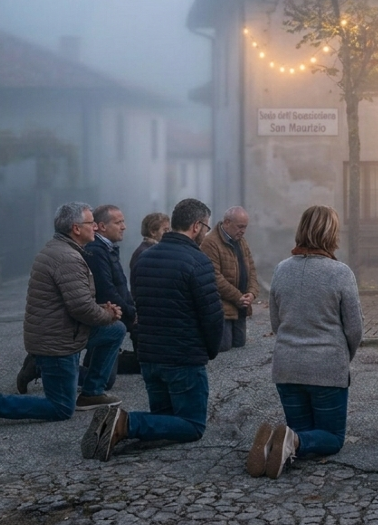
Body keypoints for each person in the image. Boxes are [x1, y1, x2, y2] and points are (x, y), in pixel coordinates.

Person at [0, 203, 125, 431]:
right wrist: (107, 313)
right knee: (61, 408)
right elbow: (81, 308)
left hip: (66, 331)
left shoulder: (63, 250)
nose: (96, 227)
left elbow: (75, 301)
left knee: (115, 330)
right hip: (57, 341)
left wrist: (104, 312)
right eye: (90, 223)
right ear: (76, 228)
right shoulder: (67, 257)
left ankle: (92, 393)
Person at [82, 198, 224, 461]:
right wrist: (210, 350)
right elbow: (212, 317)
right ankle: (126, 423)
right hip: (183, 357)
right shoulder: (198, 261)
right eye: (206, 226)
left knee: (164, 420)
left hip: (149, 357)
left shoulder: (144, 258)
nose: (207, 231)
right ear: (196, 226)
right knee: (193, 425)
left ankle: (118, 427)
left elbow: (140, 304)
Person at [248, 205, 363, 479]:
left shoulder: (280, 270)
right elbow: (355, 328)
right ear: (332, 234)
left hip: (287, 367)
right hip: (326, 369)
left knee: (297, 429)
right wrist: (343, 355)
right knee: (332, 439)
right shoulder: (340, 273)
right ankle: (292, 442)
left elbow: (276, 324)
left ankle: (280, 444)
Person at [82, 205, 136, 388]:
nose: (124, 226)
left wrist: (132, 308)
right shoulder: (96, 251)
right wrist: (130, 313)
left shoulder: (108, 248)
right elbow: (106, 291)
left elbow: (121, 286)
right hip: (105, 316)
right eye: (118, 222)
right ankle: (41, 367)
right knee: (105, 381)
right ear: (102, 226)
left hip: (114, 313)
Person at [200, 206, 259, 353]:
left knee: (239, 344)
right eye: (240, 226)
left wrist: (251, 293)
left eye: (245, 227)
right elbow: (214, 276)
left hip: (241, 304)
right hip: (222, 306)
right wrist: (238, 297)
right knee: (223, 347)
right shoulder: (210, 242)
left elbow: (251, 269)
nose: (243, 231)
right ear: (227, 222)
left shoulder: (241, 241)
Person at [129, 212, 169, 277]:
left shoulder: (157, 250)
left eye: (168, 230)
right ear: (153, 232)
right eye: (165, 230)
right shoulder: (143, 253)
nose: (168, 233)